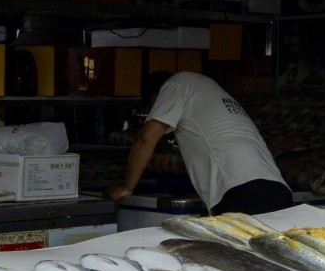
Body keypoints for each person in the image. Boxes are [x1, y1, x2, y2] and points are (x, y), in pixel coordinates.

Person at [106, 71, 293, 215]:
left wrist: (126, 187)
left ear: (156, 97)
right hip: (278, 191)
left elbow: (146, 139)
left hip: (241, 194)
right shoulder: (208, 90)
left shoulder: (175, 84)